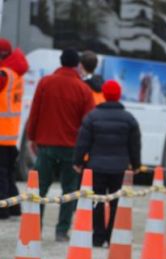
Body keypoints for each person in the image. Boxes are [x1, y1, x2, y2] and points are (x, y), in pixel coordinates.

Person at [26, 48, 95, 241]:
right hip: (71, 149)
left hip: (46, 146)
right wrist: (85, 150)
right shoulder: (83, 90)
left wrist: (32, 137)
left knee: (38, 189)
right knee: (70, 190)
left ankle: (34, 228)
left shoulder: (45, 83)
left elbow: (35, 113)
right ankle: (62, 231)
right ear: (76, 65)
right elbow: (88, 124)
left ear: (61, 61)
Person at [73, 80, 141, 248]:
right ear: (118, 95)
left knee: (97, 201)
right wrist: (136, 164)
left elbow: (83, 142)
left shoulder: (92, 117)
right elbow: (134, 144)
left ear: (103, 94)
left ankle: (97, 236)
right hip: (119, 168)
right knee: (116, 202)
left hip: (96, 167)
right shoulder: (129, 119)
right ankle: (111, 237)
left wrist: (78, 161)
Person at [0, 38, 29, 219]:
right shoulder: (15, 74)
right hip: (10, 135)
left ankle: (2, 210)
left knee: (1, 176)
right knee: (8, 174)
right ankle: (14, 207)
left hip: (1, 134)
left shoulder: (4, 75)